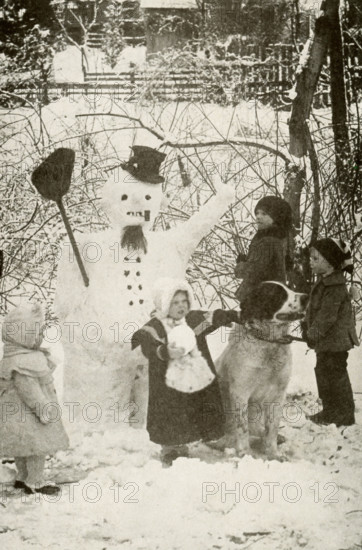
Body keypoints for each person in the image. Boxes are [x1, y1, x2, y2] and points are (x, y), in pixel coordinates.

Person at [131, 277, 239, 466]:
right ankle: (171, 447)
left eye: (184, 301)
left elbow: (213, 316)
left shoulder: (192, 319)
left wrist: (231, 316)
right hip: (168, 384)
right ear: (164, 304)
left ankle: (203, 436)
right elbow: (146, 343)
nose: (181, 307)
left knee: (199, 404)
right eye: (175, 303)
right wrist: (163, 351)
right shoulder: (155, 326)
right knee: (173, 412)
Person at [0, 303, 69, 494]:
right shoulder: (24, 362)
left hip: (16, 417)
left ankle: (23, 476)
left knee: (23, 448)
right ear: (23, 336)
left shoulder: (13, 357)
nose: (41, 338)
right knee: (37, 448)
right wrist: (43, 408)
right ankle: (35, 480)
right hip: (32, 417)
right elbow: (29, 390)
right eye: (36, 333)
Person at [302, 238, 359, 426]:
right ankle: (330, 411)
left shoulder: (334, 287)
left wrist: (312, 335)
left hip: (335, 342)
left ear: (330, 263)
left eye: (316, 258)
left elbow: (327, 317)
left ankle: (344, 415)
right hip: (327, 342)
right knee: (324, 374)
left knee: (335, 376)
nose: (311, 261)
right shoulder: (326, 282)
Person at [235, 196, 293, 307]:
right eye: (257, 213)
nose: (258, 217)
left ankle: (204, 323)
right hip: (269, 300)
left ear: (276, 217)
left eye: (264, 214)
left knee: (219, 318)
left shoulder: (267, 241)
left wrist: (240, 265)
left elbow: (254, 271)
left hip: (260, 301)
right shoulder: (279, 238)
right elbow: (266, 266)